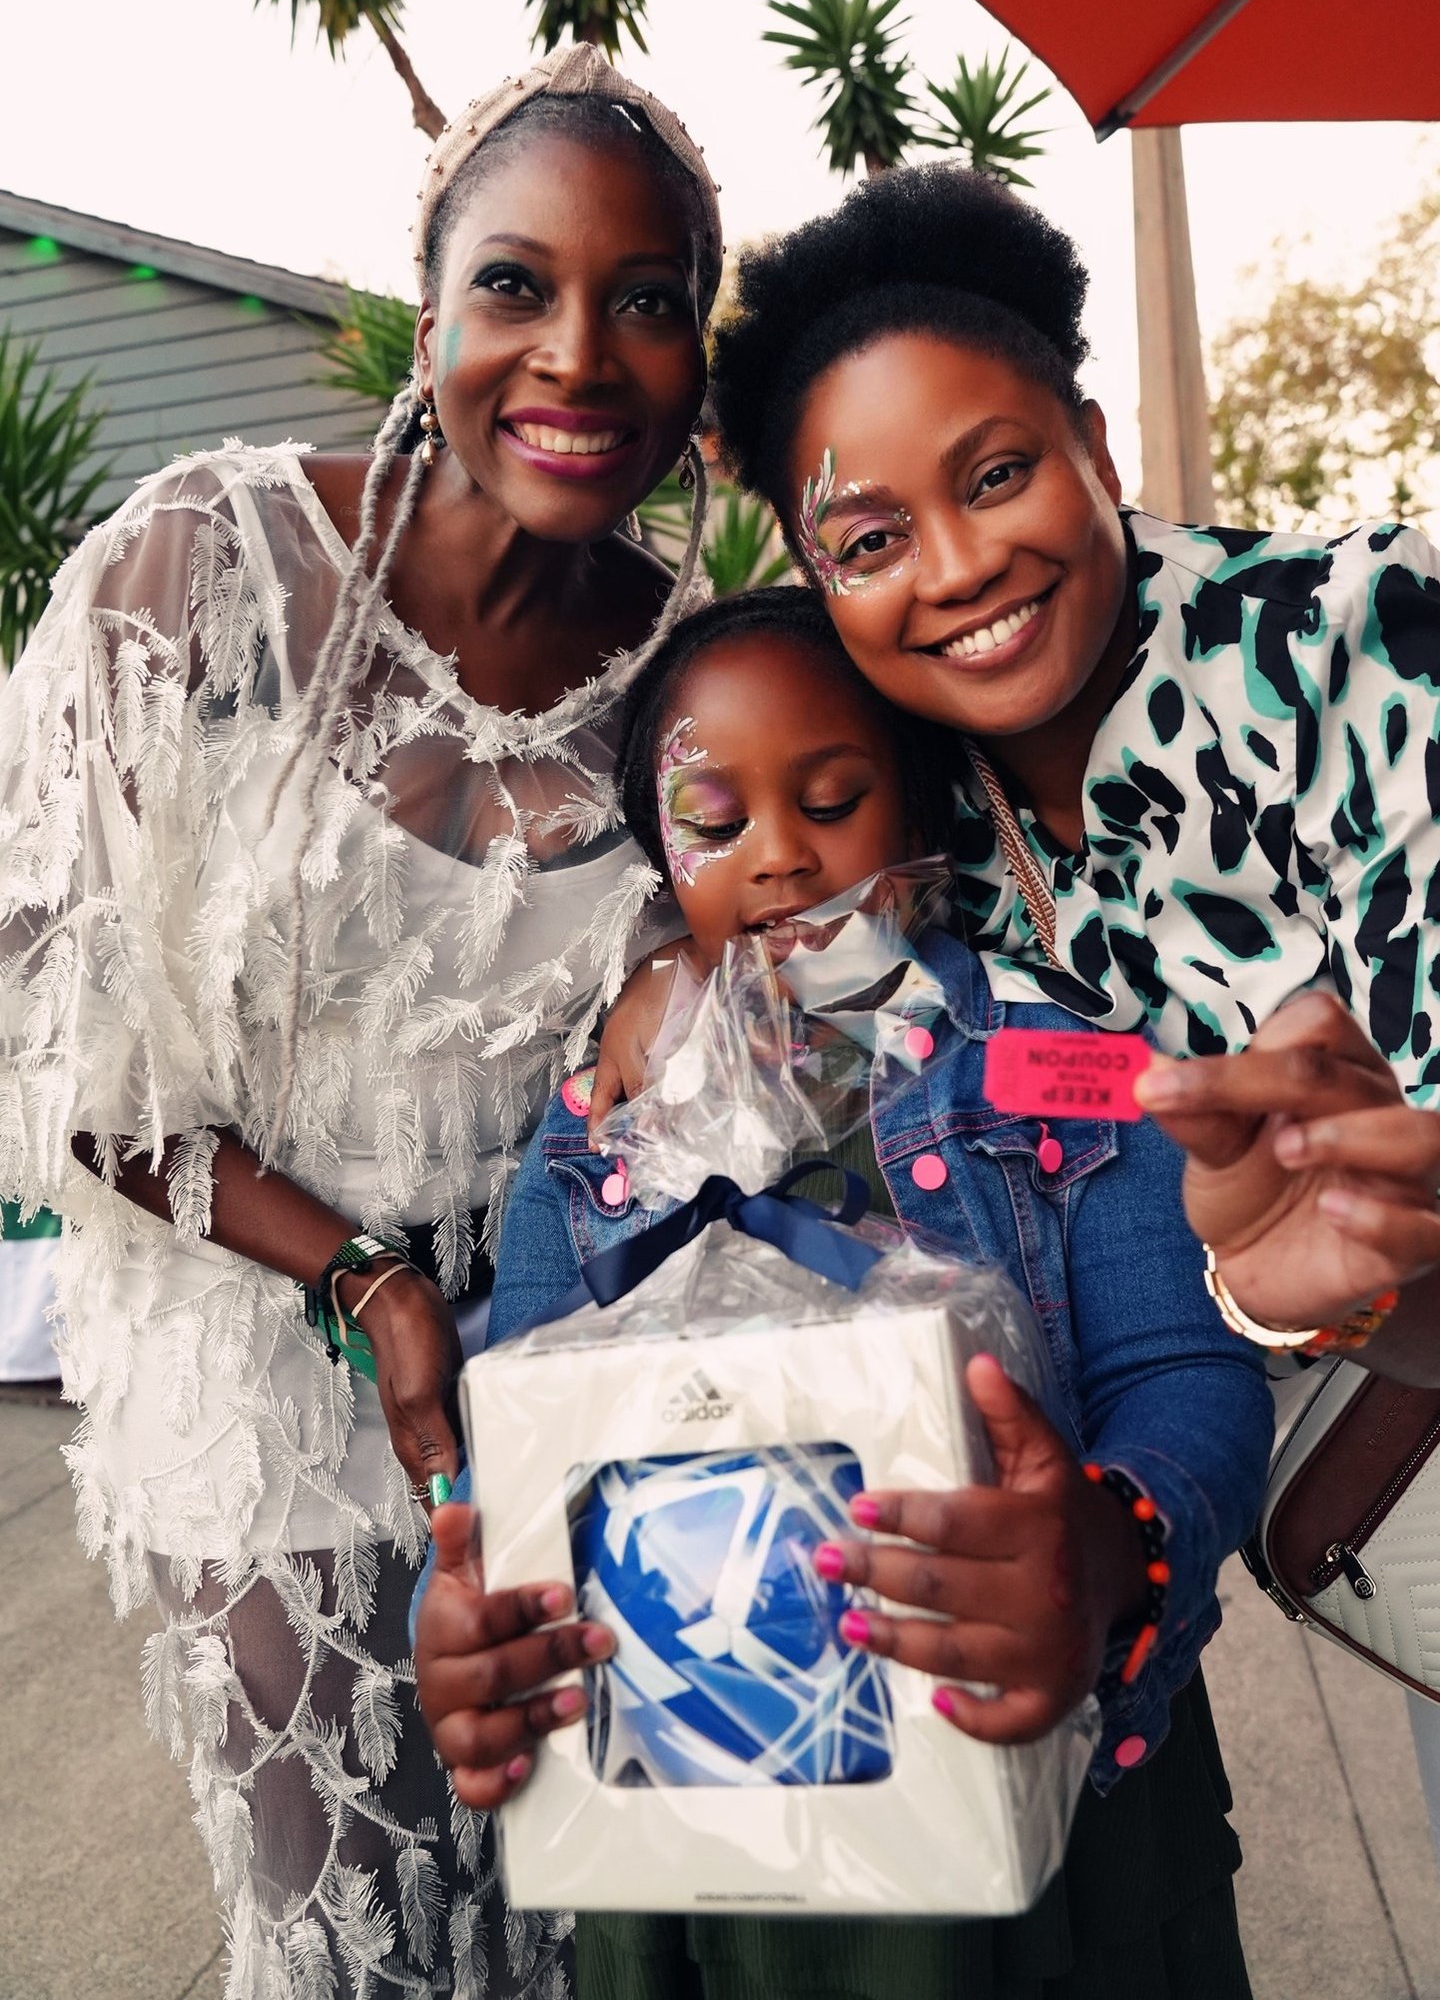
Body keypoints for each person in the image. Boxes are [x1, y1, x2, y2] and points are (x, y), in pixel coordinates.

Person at [0, 44, 722, 1999]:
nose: (578, 353)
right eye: (518, 284)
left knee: (577, 1929)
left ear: (696, 365)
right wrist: (367, 1281)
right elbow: (52, 1037)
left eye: (647, 299)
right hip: (263, 1350)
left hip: (564, 1364)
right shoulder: (201, 565)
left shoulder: (698, 675)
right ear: (429, 313)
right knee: (358, 1933)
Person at [698, 159, 1440, 1835]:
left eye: (999, 473)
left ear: (1097, 450)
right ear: (817, 575)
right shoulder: (913, 822)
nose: (957, 566)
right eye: (872, 538)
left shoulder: (1355, 644)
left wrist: (1333, 1274)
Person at [416, 587, 1273, 2000]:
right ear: (658, 850)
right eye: (714, 819)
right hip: (696, 1838)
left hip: (1053, 1820)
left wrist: (1114, 1546)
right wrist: (461, 1625)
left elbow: (1184, 1373)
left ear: (921, 806)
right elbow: (514, 1456)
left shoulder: (1060, 1071)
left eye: (832, 800)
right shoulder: (595, 1137)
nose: (780, 855)